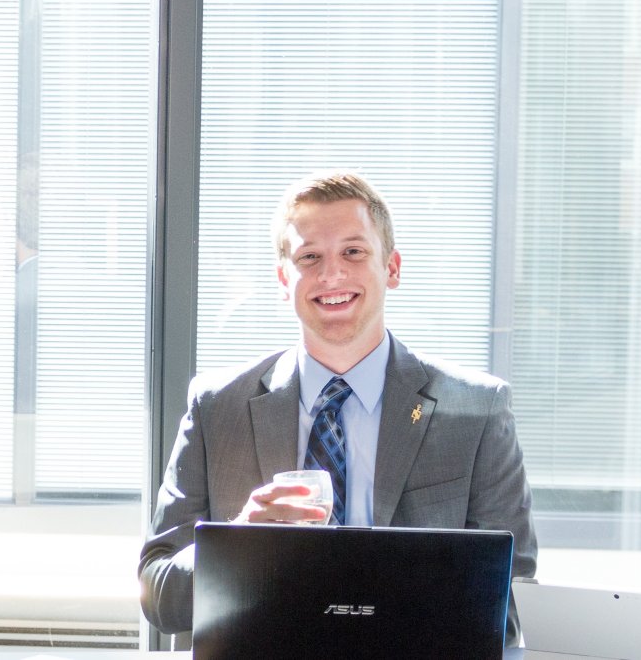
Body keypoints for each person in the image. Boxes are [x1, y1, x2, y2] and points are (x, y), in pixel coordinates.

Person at [139, 170, 538, 634]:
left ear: (391, 268)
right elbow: (159, 594)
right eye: (309, 257)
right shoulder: (217, 407)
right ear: (283, 279)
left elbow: (513, 593)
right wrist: (238, 541)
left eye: (353, 251)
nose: (332, 274)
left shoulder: (478, 409)